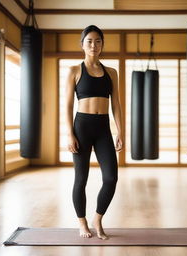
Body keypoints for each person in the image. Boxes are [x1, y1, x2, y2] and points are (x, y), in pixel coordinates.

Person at [65, 25, 124, 240]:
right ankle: (82, 223)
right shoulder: (74, 71)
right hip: (81, 127)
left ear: (102, 45)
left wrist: (120, 131)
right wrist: (70, 134)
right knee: (81, 179)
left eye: (98, 41)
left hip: (102, 128)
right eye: (89, 41)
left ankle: (97, 218)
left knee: (111, 177)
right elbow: (67, 105)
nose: (93, 45)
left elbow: (116, 103)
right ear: (82, 44)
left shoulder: (111, 72)